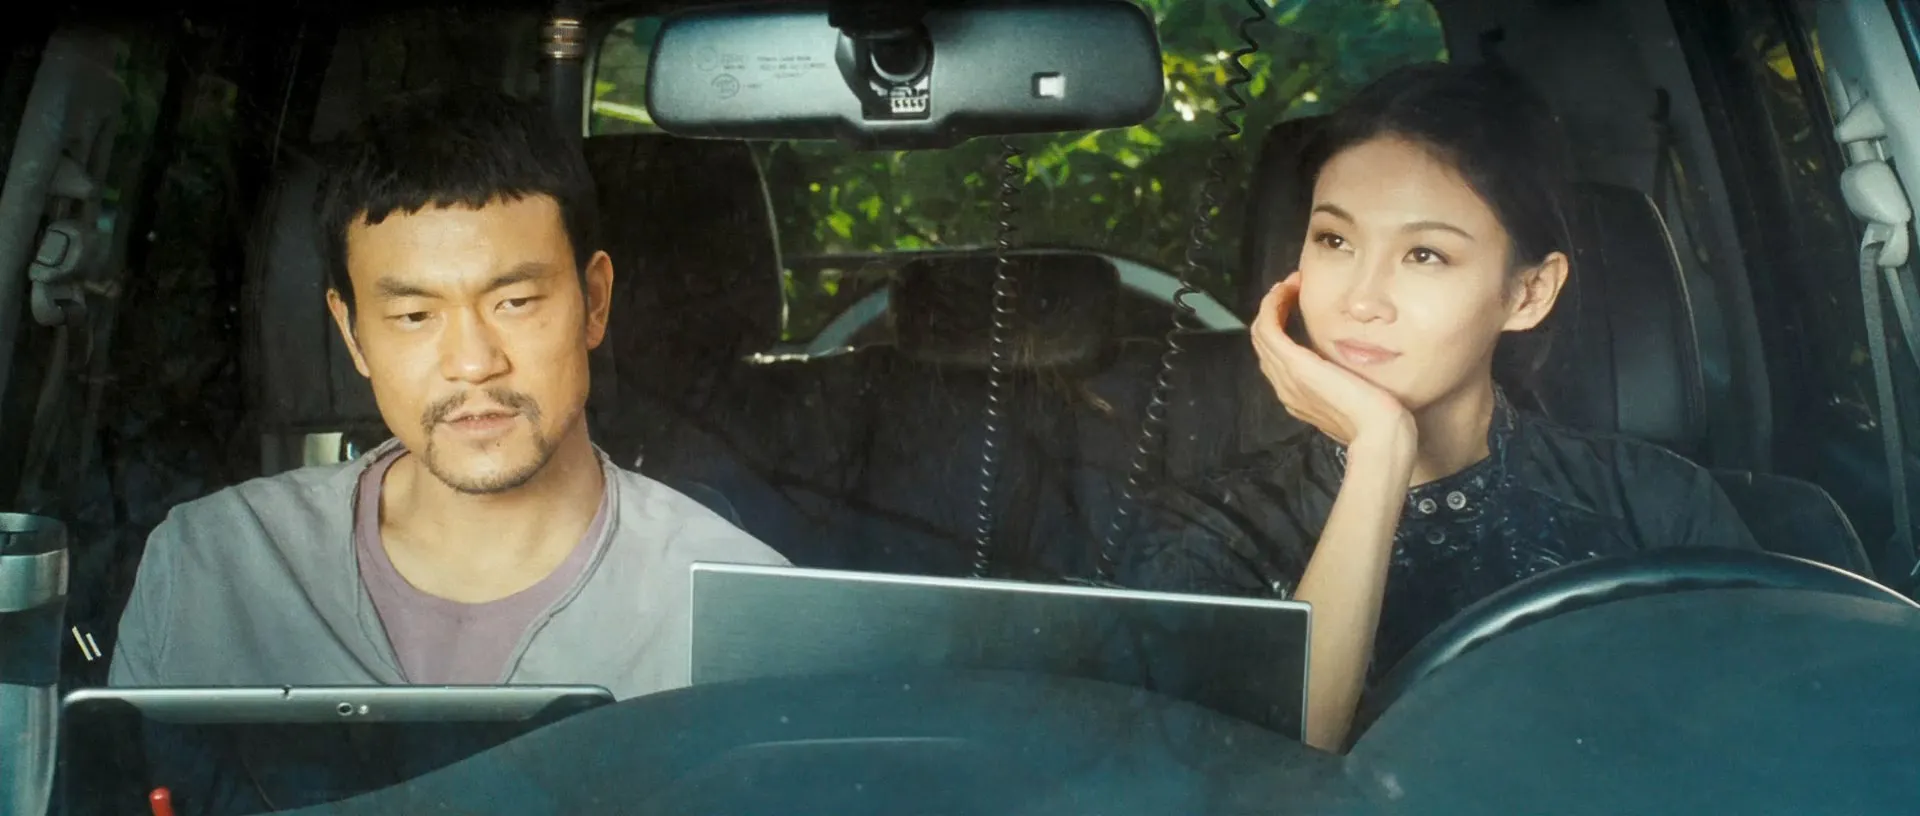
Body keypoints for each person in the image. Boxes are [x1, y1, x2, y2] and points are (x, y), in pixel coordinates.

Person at [1122, 62, 1759, 752]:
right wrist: (1379, 453)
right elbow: (1267, 776)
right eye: (1335, 241)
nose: (1361, 299)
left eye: (1424, 254)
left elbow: (1767, 744)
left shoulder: (1657, 507)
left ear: (1529, 294)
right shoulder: (1208, 534)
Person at [108, 90, 788, 699]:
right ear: (352, 334)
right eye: (414, 315)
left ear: (595, 303)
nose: (473, 364)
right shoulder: (213, 566)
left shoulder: (738, 610)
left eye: (515, 301)